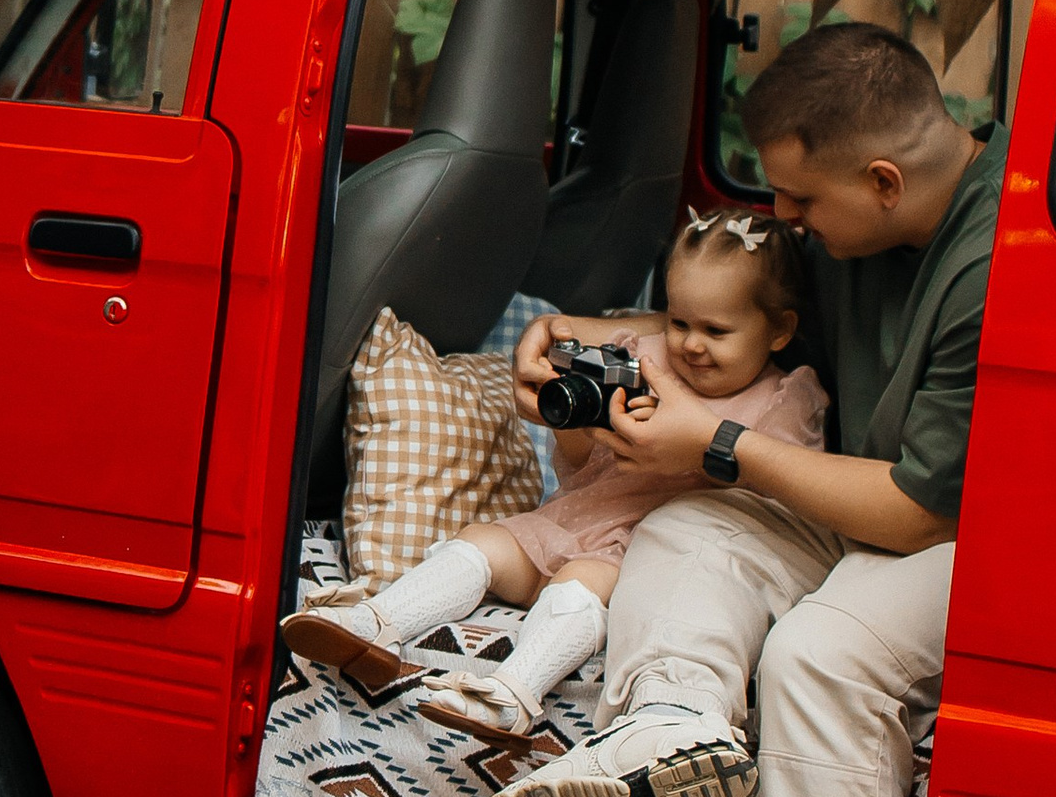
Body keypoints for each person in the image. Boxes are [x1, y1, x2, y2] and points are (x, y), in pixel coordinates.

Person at [498, 22, 1001, 797]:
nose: (780, 216)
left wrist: (722, 444)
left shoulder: (994, 259)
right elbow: (734, 313)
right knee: (686, 531)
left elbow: (915, 507)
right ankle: (669, 722)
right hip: (859, 504)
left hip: (982, 543)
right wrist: (578, 336)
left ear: (880, 181)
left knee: (820, 651)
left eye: (795, 196)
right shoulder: (856, 231)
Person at [285, 208, 826, 739]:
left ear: (779, 331)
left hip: (641, 553)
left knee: (577, 583)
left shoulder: (786, 396)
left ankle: (513, 693)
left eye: (716, 329)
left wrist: (697, 442)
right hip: (575, 516)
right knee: (482, 543)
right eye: (679, 321)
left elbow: (771, 497)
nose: (690, 344)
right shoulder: (642, 357)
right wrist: (575, 422)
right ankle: (378, 624)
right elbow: (573, 469)